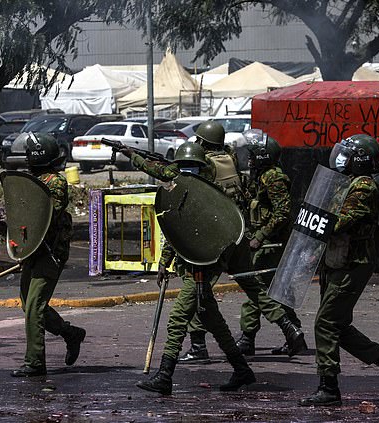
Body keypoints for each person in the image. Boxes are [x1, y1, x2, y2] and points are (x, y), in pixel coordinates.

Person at [126, 123, 306, 362]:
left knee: (195, 292)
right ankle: (288, 328)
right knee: (254, 288)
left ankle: (195, 347)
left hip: (212, 241)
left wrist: (134, 157)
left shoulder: (203, 167)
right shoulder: (228, 159)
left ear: (202, 142)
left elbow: (171, 183)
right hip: (236, 234)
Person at [134, 142, 256, 394]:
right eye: (185, 167)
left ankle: (165, 375)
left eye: (194, 167)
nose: (189, 171)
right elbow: (176, 231)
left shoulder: (212, 196)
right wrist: (164, 261)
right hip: (189, 265)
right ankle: (242, 370)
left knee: (179, 319)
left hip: (203, 267)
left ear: (203, 169)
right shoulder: (179, 194)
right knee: (214, 321)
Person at [299, 134, 379, 406]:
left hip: (352, 264)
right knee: (337, 325)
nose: (340, 158)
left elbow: (339, 222)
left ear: (359, 160)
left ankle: (329, 387)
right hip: (336, 261)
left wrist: (312, 223)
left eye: (346, 154)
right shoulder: (345, 182)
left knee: (325, 322)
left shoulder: (363, 187)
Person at [11, 132, 86, 377]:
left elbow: (47, 215)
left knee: (34, 305)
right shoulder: (31, 179)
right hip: (32, 249)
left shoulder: (55, 182)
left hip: (50, 252)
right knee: (28, 304)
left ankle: (35, 362)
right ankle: (69, 333)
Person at [235, 129, 306, 357]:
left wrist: (261, 235)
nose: (251, 159)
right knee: (270, 290)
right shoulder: (260, 176)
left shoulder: (273, 177)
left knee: (258, 290)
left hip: (272, 245)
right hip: (263, 242)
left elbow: (283, 212)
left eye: (254, 155)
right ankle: (293, 335)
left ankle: (251, 337)